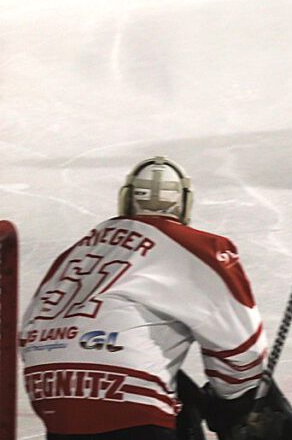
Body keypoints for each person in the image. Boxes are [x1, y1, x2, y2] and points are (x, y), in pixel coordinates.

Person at [19, 156, 272, 439]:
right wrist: (231, 407)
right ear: (185, 204)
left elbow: (28, 331)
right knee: (190, 397)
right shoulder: (198, 246)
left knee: (177, 390)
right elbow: (243, 353)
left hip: (50, 395)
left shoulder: (74, 253)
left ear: (125, 200)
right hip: (129, 403)